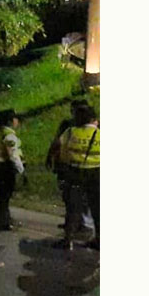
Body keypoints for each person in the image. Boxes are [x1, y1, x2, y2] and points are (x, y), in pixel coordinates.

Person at [46, 100, 96, 235]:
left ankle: (79, 226)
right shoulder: (68, 126)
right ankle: (76, 225)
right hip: (70, 167)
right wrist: (51, 158)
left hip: (80, 169)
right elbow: (56, 142)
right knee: (71, 199)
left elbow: (57, 143)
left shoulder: (86, 129)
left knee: (80, 200)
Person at [55, 105, 100, 250]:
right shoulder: (100, 134)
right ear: (94, 119)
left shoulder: (70, 132)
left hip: (75, 174)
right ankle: (99, 240)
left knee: (73, 208)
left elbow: (62, 152)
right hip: (97, 174)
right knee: (97, 209)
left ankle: (68, 240)